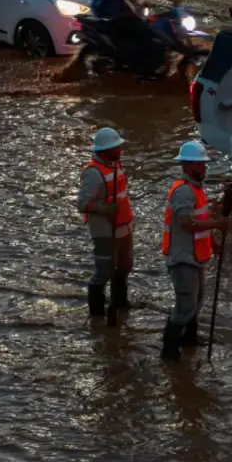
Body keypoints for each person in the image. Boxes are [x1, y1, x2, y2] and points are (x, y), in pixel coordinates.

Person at [160, 141, 231, 361]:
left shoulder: (196, 189)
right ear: (189, 165)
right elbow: (185, 223)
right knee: (185, 306)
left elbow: (199, 219)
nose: (205, 168)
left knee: (197, 300)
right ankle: (169, 351)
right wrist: (217, 225)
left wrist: (212, 242)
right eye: (201, 165)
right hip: (183, 258)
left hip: (196, 256)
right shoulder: (183, 191)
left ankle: (189, 340)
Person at [90, 0, 180, 77]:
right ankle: (145, 70)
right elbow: (130, 2)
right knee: (149, 34)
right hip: (118, 18)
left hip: (126, 15)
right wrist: (144, 15)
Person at [77, 127, 134, 326]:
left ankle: (120, 305)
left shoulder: (115, 164)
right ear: (104, 150)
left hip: (123, 225)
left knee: (124, 267)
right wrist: (104, 208)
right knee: (103, 271)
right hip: (105, 230)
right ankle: (97, 314)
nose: (120, 149)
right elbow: (82, 204)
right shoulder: (92, 173)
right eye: (116, 147)